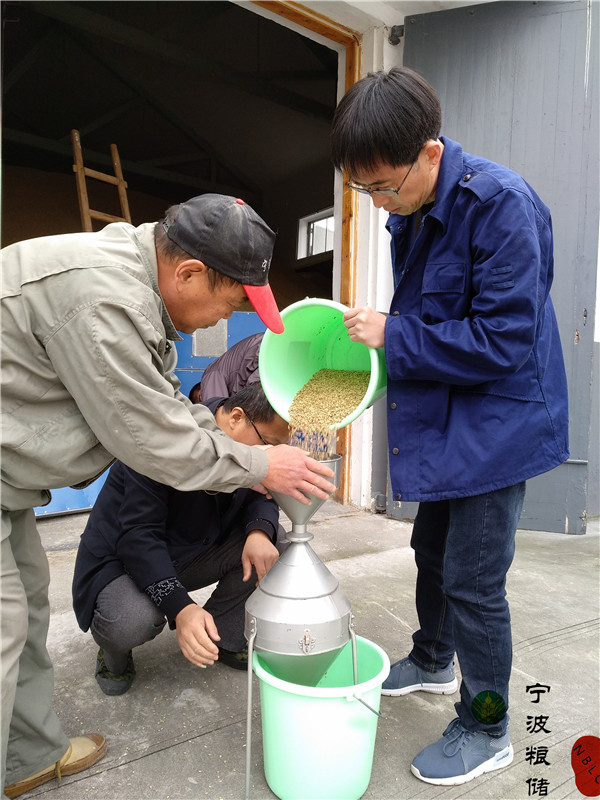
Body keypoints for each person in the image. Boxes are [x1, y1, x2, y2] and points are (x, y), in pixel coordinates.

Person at [1, 193, 335, 798]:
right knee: (6, 627)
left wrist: (260, 497)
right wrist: (261, 465)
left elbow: (177, 416)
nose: (218, 322)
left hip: (9, 486)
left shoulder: (140, 301)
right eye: (228, 305)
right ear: (188, 273)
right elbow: (157, 442)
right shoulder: (104, 301)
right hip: (119, 552)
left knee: (23, 607)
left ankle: (26, 755)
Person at [331, 67, 569, 786]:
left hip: (499, 422)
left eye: (382, 187)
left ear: (429, 153)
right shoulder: (414, 207)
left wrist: (394, 335)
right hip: (449, 414)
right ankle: (434, 659)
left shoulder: (501, 206)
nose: (377, 203)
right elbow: (435, 316)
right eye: (363, 190)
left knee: (475, 580)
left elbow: (503, 339)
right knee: (430, 549)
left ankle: (489, 725)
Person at [72, 382, 291, 695]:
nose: (270, 457)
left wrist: (258, 531)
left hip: (191, 550)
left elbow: (263, 489)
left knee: (274, 543)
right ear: (236, 418)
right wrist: (181, 608)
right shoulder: (163, 437)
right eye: (269, 444)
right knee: (133, 620)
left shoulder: (241, 441)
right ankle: (114, 654)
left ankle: (221, 636)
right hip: (126, 561)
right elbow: (138, 536)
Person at [189, 331, 264, 403]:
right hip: (263, 349)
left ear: (201, 395)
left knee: (252, 401)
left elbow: (215, 407)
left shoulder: (209, 377)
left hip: (261, 354)